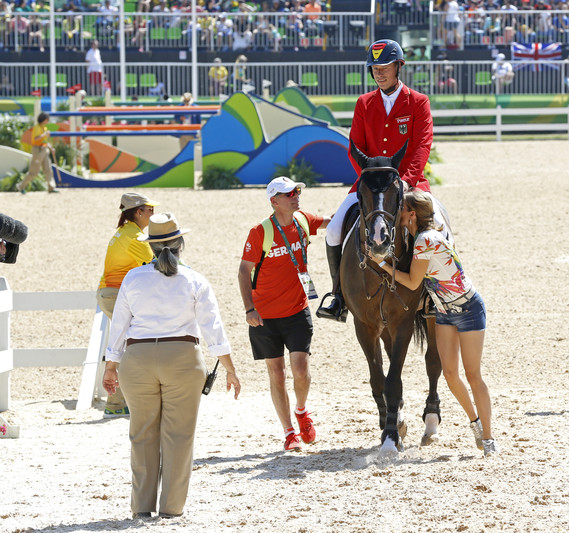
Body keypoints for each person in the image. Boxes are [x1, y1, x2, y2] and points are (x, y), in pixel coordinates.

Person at [102, 212, 240, 519]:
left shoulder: (133, 278)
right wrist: (229, 368)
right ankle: (171, 508)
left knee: (141, 434)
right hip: (182, 358)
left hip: (137, 360)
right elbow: (212, 327)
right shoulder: (194, 279)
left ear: (150, 247)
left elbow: (119, 327)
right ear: (180, 244)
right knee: (178, 436)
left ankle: (141, 507)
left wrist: (111, 366)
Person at [317, 39, 440, 323]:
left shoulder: (418, 102)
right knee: (334, 230)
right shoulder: (364, 103)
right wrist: (368, 180)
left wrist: (406, 181)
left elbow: (422, 145)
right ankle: (338, 295)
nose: (380, 73)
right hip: (371, 184)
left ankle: (436, 292)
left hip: (410, 183)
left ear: (398, 67)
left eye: (385, 67)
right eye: (375, 68)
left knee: (439, 226)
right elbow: (354, 147)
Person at [377, 190, 497, 457]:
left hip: (468, 309)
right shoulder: (417, 236)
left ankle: (488, 438)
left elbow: (411, 282)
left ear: (411, 214)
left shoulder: (425, 240)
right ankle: (475, 424)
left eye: (401, 209)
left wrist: (381, 263)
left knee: (473, 376)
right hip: (443, 311)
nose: (397, 212)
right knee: (451, 375)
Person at [237, 176, 330, 452]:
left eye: (297, 190)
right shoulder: (260, 231)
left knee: (301, 371)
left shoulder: (303, 220)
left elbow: (332, 221)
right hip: (263, 316)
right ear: (274, 201)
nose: (296, 195)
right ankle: (289, 433)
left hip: (297, 310)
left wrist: (361, 203)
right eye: (289, 193)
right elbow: (243, 271)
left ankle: (302, 412)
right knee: (276, 374)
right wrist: (248, 309)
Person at [97, 192, 159, 418]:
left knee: (126, 344)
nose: (153, 213)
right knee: (129, 347)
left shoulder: (124, 232)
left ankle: (120, 402)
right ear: (138, 212)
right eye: (150, 209)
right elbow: (159, 263)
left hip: (110, 293)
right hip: (116, 294)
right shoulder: (136, 237)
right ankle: (116, 404)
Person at [18, 112, 58, 194]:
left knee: (48, 169)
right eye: (47, 119)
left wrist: (51, 148)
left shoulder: (44, 128)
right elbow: (36, 138)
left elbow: (45, 141)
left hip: (44, 149)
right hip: (37, 150)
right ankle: (21, 186)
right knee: (34, 171)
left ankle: (51, 187)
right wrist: (44, 134)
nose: (48, 121)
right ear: (44, 120)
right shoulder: (37, 128)